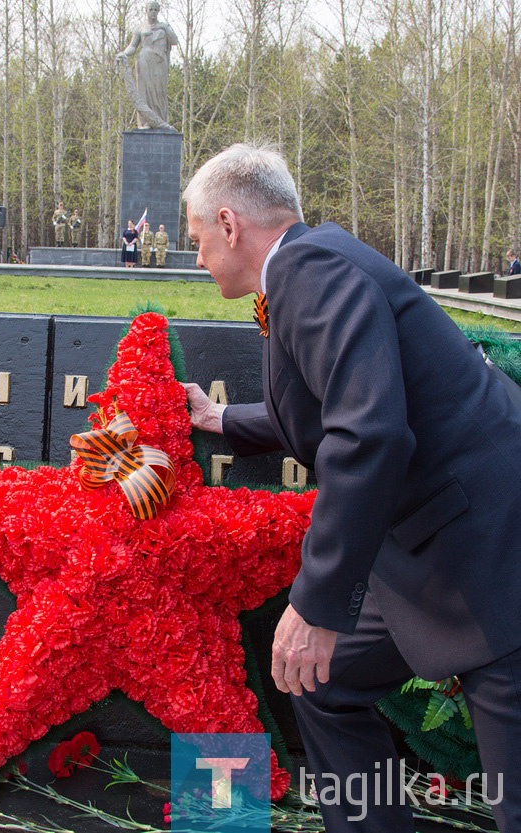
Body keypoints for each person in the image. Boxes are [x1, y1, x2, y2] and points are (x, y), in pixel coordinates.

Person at [181, 142, 521, 832]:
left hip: (486, 549)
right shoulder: (309, 267)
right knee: (322, 683)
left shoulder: (312, 272)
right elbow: (334, 401)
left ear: (227, 223)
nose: (196, 258)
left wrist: (317, 606)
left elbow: (370, 436)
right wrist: (223, 418)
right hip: (427, 553)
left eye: (194, 239)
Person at [116, 1, 178, 130]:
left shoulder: (163, 27)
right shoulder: (140, 28)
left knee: (159, 92)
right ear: (146, 10)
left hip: (160, 62)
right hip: (144, 61)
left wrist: (166, 28)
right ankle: (145, 122)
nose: (153, 12)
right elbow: (132, 46)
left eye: (155, 10)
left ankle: (160, 121)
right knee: (144, 91)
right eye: (151, 9)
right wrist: (124, 54)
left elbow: (174, 41)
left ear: (158, 11)